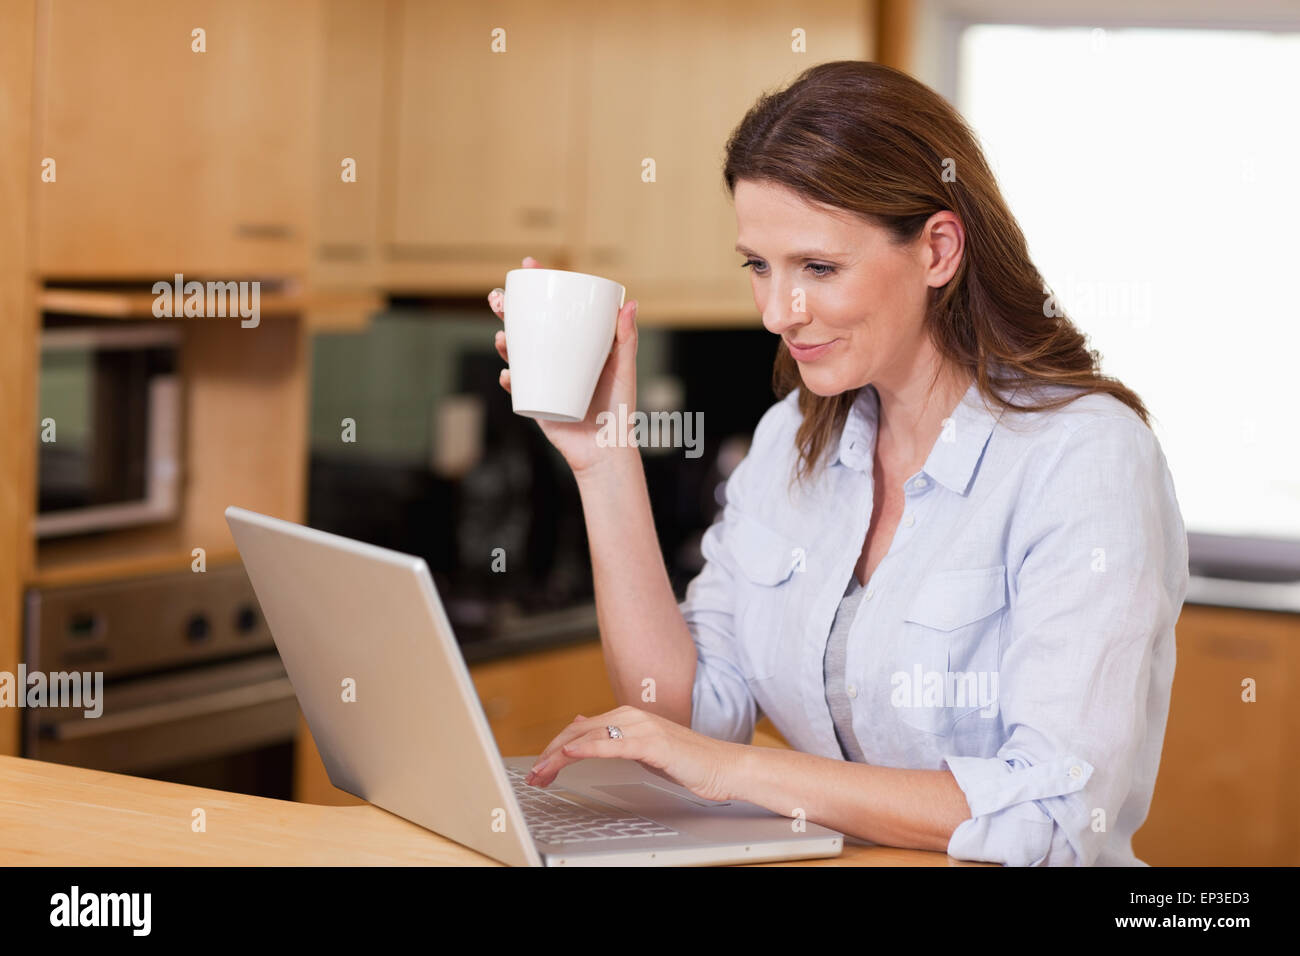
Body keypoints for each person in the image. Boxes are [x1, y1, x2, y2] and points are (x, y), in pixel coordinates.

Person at [485, 60, 1187, 867]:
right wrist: (603, 457)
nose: (779, 312)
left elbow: (1055, 812)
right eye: (758, 265)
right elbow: (686, 710)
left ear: (938, 250)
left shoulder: (1084, 459)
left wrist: (737, 770)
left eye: (818, 267)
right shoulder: (794, 438)